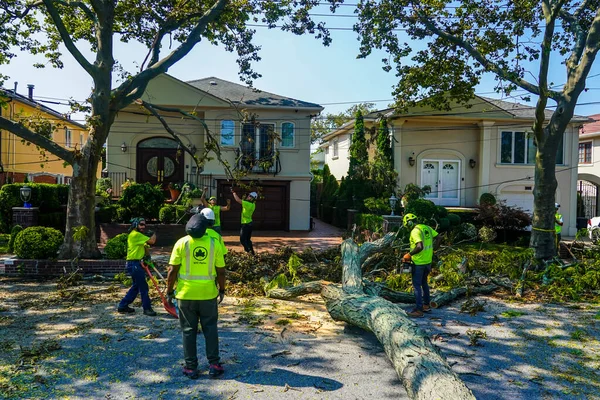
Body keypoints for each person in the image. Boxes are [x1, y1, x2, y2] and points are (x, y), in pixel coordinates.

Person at [166, 213, 226, 380]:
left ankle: (191, 367)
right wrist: (222, 289)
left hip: (185, 296)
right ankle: (214, 365)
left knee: (188, 331)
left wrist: (169, 291)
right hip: (208, 295)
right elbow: (221, 271)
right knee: (210, 329)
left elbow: (172, 271)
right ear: (206, 227)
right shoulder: (214, 243)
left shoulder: (181, 243)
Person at [402, 213, 441, 318]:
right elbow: (438, 237)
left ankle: (418, 310)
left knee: (416, 286)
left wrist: (409, 254)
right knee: (424, 283)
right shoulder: (426, 227)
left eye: (407, 225)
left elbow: (419, 246)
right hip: (428, 262)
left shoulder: (415, 231)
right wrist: (434, 249)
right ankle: (426, 305)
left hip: (418, 263)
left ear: (409, 223)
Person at [117, 218, 157, 316]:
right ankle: (147, 309)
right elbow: (152, 241)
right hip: (134, 264)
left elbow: (145, 246)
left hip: (134, 263)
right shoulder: (136, 235)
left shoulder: (136, 236)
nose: (143, 227)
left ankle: (123, 305)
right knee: (143, 287)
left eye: (144, 225)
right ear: (135, 225)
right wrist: (153, 233)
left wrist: (147, 257)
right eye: (141, 224)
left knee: (136, 286)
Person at [232, 189, 257, 254]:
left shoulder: (247, 204)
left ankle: (248, 251)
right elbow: (244, 200)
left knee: (242, 240)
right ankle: (252, 253)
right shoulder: (253, 204)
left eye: (249, 196)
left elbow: (238, 200)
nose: (248, 197)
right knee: (248, 240)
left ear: (252, 198)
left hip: (245, 224)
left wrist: (234, 193)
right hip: (250, 223)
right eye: (248, 195)